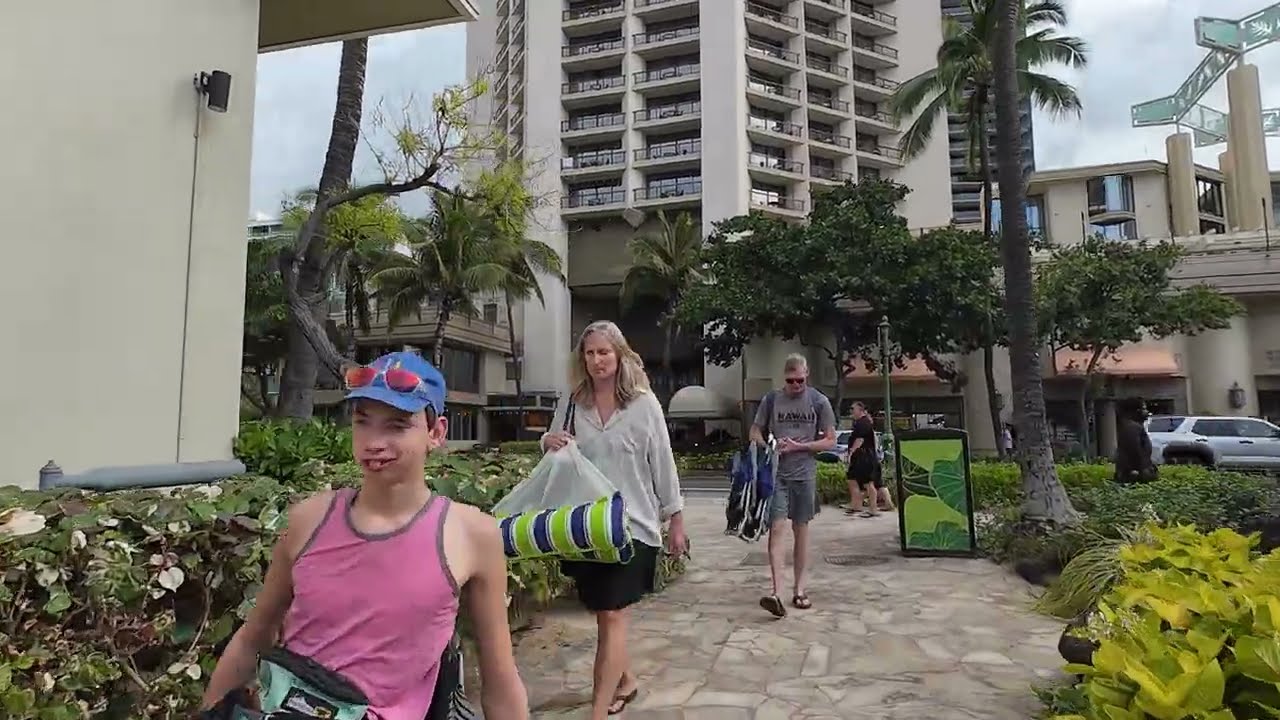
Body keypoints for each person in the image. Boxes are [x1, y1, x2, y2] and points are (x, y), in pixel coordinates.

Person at [200, 351, 528, 719]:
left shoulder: (471, 535)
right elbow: (252, 638)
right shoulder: (309, 520)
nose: (374, 442)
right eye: (362, 422)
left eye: (397, 425)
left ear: (436, 434)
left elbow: (499, 677)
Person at [540, 320, 687, 719]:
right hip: (586, 528)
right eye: (589, 353)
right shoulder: (573, 402)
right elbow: (553, 450)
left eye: (604, 351)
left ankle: (599, 710)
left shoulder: (644, 404)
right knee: (605, 615)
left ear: (620, 354)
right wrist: (546, 442)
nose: (596, 360)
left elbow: (663, 464)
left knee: (612, 615)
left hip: (634, 526)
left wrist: (675, 519)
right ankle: (625, 680)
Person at [749, 354, 836, 617]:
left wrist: (803, 446)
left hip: (805, 473)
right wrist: (770, 447)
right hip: (777, 473)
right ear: (783, 378)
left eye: (800, 380)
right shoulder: (772, 399)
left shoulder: (819, 401)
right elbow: (754, 432)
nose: (796, 385)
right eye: (791, 381)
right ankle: (776, 591)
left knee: (801, 530)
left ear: (807, 375)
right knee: (776, 529)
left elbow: (830, 440)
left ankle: (799, 589)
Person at [844, 402, 883, 518]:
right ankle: (856, 505)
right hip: (860, 457)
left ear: (860, 410)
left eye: (853, 409)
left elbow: (859, 440)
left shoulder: (863, 422)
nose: (851, 411)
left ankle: (873, 509)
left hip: (865, 456)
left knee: (868, 483)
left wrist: (851, 452)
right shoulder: (859, 423)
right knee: (852, 480)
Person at [1114, 397, 1157, 484]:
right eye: (1144, 409)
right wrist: (1142, 470)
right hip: (1134, 477)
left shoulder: (1132, 426)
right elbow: (1134, 452)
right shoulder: (1132, 428)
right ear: (1136, 410)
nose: (1147, 412)